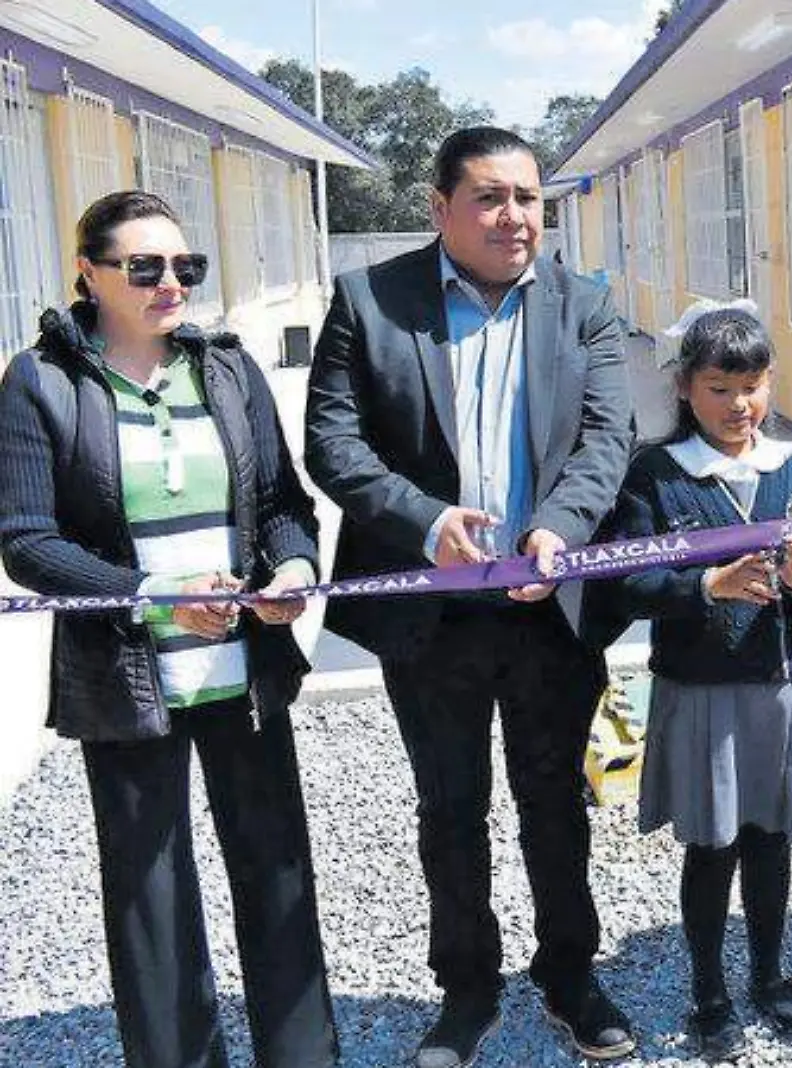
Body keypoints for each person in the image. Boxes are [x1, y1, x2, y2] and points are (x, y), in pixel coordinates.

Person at [304, 127, 636, 1067]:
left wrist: (559, 530)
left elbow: (608, 439)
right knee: (451, 806)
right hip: (433, 615)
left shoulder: (585, 306)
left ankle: (570, 974)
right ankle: (466, 987)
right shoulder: (370, 302)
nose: (514, 217)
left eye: (529, 198)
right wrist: (422, 521)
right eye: (491, 197)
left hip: (549, 606)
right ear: (440, 207)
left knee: (555, 798)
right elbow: (335, 442)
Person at [0, 190, 335, 1067]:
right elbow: (28, 544)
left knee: (278, 873)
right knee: (150, 896)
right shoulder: (40, 383)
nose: (170, 284)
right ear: (89, 273)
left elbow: (282, 508)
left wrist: (293, 574)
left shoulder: (228, 370)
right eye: (143, 268)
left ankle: (303, 1055)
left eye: (185, 267)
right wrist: (153, 592)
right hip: (126, 679)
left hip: (244, 671)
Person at [581, 302, 792, 1060]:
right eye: (721, 387)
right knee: (712, 847)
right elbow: (628, 583)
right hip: (700, 692)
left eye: (755, 385)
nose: (741, 405)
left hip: (783, 686)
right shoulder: (657, 475)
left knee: (771, 842)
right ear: (686, 388)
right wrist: (704, 586)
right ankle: (709, 991)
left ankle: (768, 973)